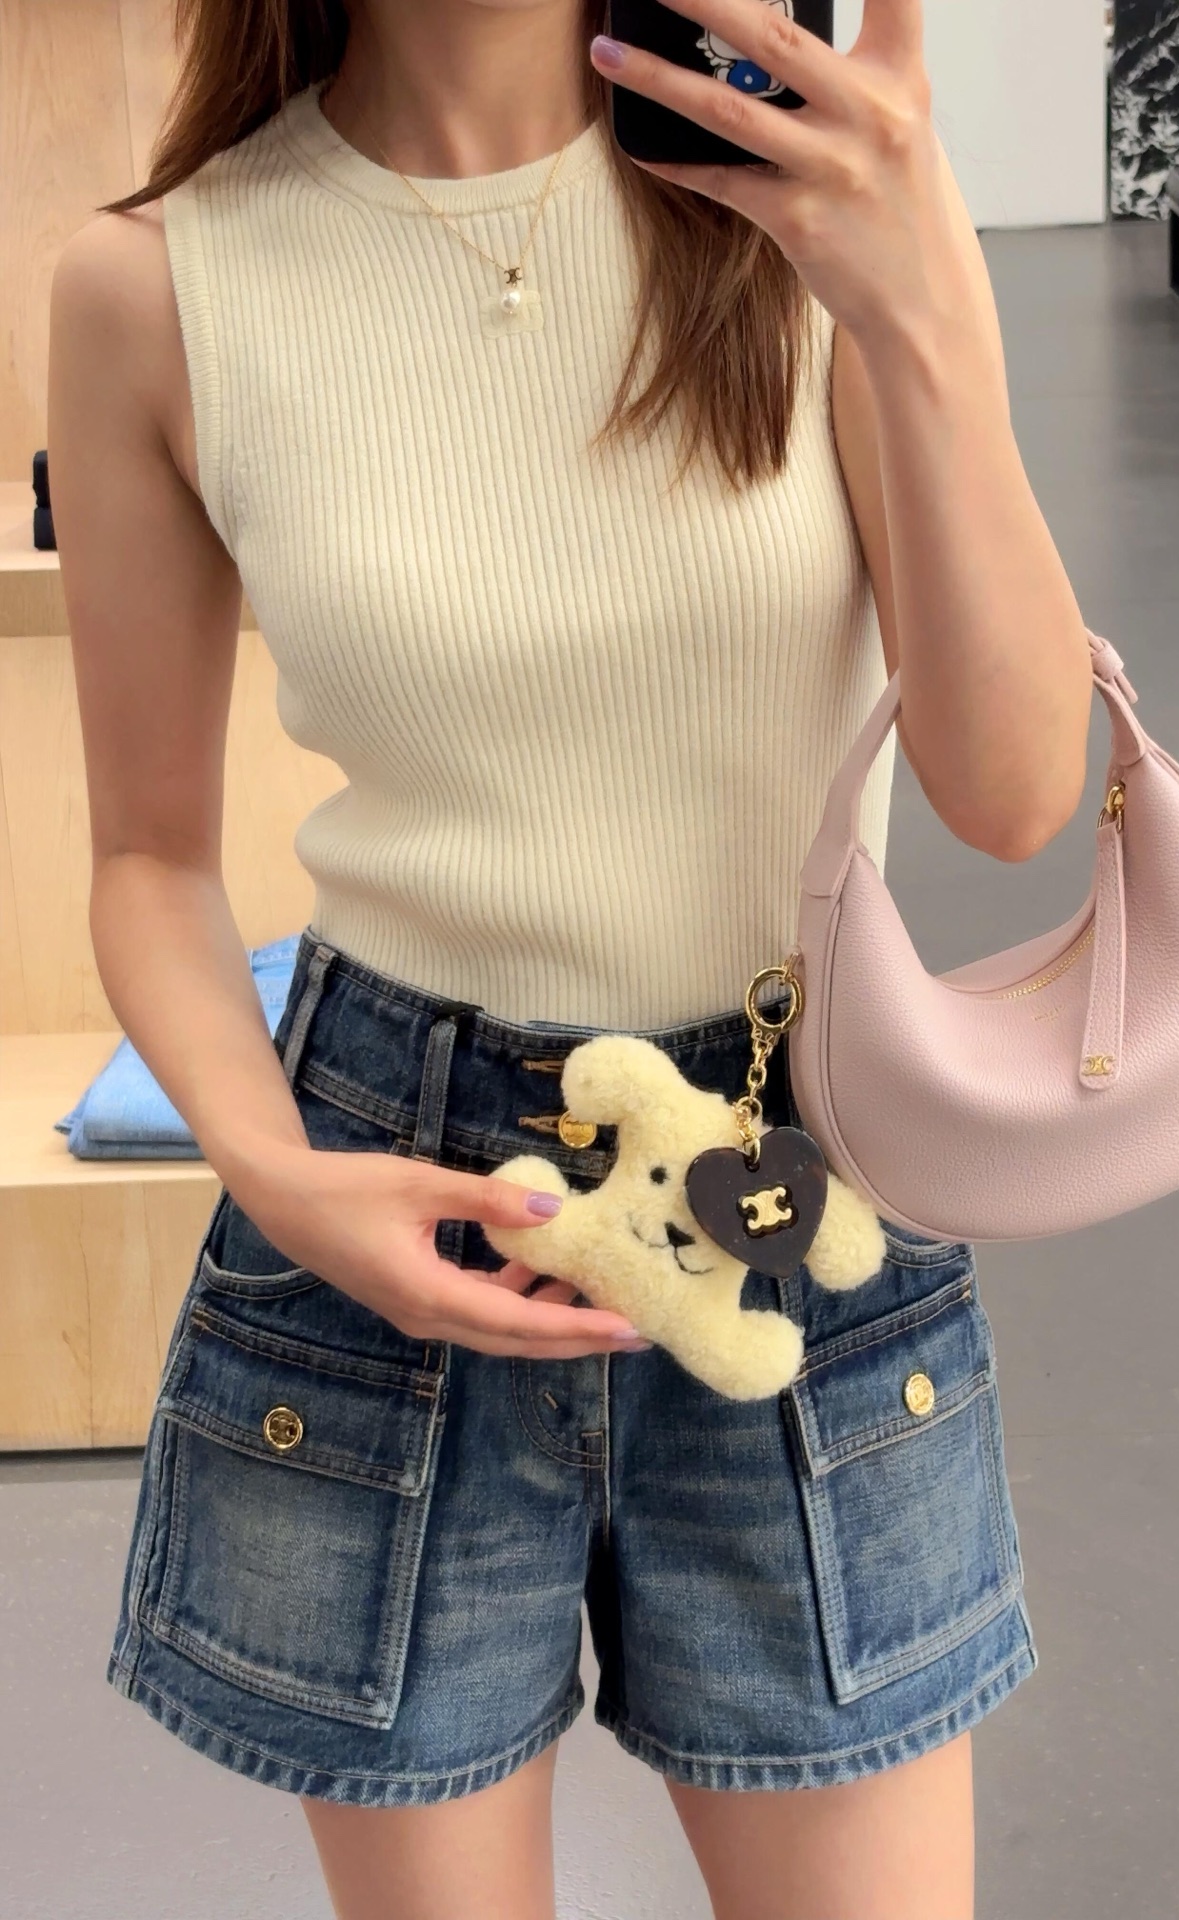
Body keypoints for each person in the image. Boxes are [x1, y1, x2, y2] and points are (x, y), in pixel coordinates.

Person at [48, 1, 1093, 1914]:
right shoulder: (158, 284)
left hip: (791, 1177)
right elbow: (146, 855)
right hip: (396, 1189)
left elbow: (1016, 788)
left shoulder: (805, 200)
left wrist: (920, 306)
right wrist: (275, 1174)